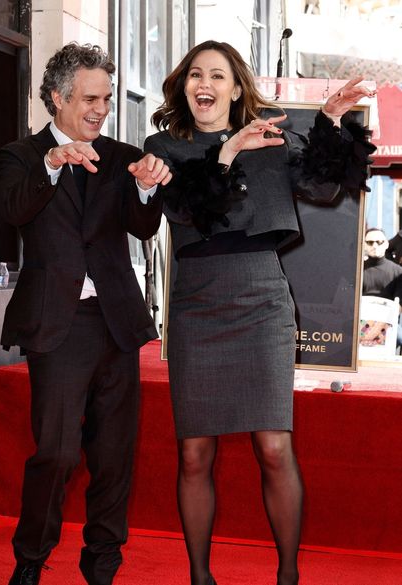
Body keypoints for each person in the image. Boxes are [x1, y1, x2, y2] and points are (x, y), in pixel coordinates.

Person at [144, 40, 375, 585]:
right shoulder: (164, 147)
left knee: (274, 447)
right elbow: (185, 210)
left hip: (263, 303)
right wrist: (226, 153)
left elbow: (322, 184)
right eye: (195, 75)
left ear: (235, 87)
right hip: (198, 307)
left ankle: (288, 575)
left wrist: (332, 117)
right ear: (183, 87)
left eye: (218, 76)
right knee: (195, 453)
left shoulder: (270, 139)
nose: (205, 84)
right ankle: (201, 577)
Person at [0, 42, 171, 585]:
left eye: (107, 99)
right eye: (90, 99)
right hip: (57, 326)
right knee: (55, 450)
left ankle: (102, 566)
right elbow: (13, 210)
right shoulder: (21, 156)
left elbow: (142, 228)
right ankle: (30, 561)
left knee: (114, 456)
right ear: (57, 98)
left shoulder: (121, 157)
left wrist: (145, 187)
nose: (101, 109)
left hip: (116, 325)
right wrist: (52, 164)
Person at [363, 227, 402, 295]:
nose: (375, 246)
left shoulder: (398, 272)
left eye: (379, 242)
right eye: (370, 242)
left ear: (386, 244)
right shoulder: (356, 271)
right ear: (364, 245)